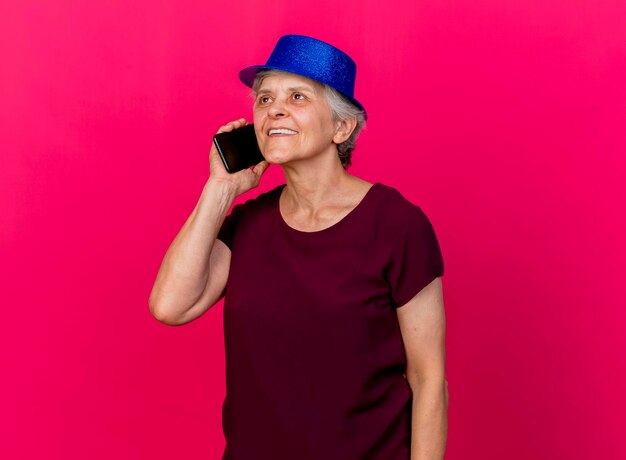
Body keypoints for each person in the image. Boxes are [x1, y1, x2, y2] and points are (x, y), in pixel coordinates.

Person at [149, 34, 448, 460]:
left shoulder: (397, 224)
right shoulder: (249, 224)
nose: (275, 110)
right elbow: (169, 306)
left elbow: (428, 378)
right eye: (265, 99)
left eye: (297, 97)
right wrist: (220, 189)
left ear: (341, 128)